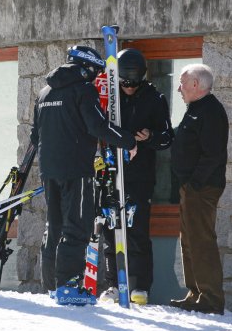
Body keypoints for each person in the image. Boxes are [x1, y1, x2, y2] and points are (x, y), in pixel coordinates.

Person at [30, 45, 137, 306]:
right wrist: (128, 141)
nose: (96, 78)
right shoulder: (83, 89)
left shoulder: (45, 92)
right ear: (86, 67)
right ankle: (68, 286)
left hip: (48, 169)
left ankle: (52, 287)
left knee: (53, 226)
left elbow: (35, 136)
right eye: (95, 72)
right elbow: (97, 125)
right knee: (77, 226)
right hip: (76, 169)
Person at [99, 49, 174, 306]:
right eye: (124, 82)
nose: (128, 88)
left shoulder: (154, 98)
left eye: (133, 83)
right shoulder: (108, 96)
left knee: (137, 229)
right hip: (110, 173)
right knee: (110, 229)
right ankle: (112, 284)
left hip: (140, 174)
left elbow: (167, 138)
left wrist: (150, 137)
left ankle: (141, 285)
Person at [169, 64, 227, 315]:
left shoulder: (211, 111)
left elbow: (212, 154)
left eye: (182, 83)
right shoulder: (196, 109)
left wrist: (194, 184)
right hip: (190, 187)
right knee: (189, 240)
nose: (179, 88)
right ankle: (195, 293)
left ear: (195, 85)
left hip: (201, 189)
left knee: (201, 240)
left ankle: (211, 299)